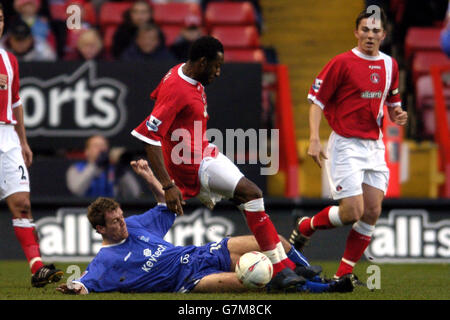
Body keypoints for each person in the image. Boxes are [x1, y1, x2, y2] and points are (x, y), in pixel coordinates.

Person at [131, 36, 304, 290]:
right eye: (216, 66)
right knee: (252, 194)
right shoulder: (178, 89)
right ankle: (280, 270)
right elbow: (147, 136)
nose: (219, 72)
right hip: (192, 163)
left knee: (249, 200)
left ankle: (290, 267)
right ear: (202, 63)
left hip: (205, 151)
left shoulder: (181, 72)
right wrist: (168, 185)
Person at [56, 159, 354, 294]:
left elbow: (165, 206)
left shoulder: (134, 225)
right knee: (257, 280)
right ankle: (324, 289)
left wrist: (149, 177)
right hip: (187, 281)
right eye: (114, 222)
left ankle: (303, 268)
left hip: (200, 253)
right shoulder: (105, 261)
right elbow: (85, 283)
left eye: (121, 216)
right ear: (100, 230)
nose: (122, 223)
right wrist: (75, 287)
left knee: (276, 242)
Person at [289, 8, 408, 282]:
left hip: (374, 145)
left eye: (375, 31)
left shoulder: (391, 65)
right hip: (346, 145)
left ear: (384, 35)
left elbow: (392, 102)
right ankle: (306, 225)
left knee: (372, 211)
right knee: (352, 211)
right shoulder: (340, 63)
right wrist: (315, 139)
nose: (369, 35)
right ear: (356, 32)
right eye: (365, 29)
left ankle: (345, 273)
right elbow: (316, 101)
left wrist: (398, 114)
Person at [0, 3, 63, 287]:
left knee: (22, 203)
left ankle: (37, 267)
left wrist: (23, 141)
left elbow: (15, 102)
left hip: (8, 137)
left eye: (0, 19)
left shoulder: (9, 59)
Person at [66, 135, 142, 199]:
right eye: (96, 146)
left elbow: (134, 194)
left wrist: (122, 173)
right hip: (84, 210)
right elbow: (76, 191)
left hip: (110, 211)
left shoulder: (114, 169)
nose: (101, 149)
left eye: (103, 145)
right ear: (87, 151)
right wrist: (95, 166)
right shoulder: (76, 168)